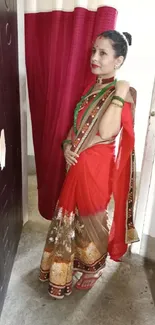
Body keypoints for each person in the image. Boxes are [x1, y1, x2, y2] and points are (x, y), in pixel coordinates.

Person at [39, 30, 139, 299]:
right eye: (94, 51)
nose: (94, 57)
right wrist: (68, 146)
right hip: (77, 161)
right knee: (74, 217)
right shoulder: (92, 87)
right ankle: (78, 262)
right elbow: (77, 126)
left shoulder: (123, 92)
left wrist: (118, 92)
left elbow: (107, 132)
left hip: (96, 165)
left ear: (118, 60)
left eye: (103, 53)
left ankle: (94, 268)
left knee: (92, 215)